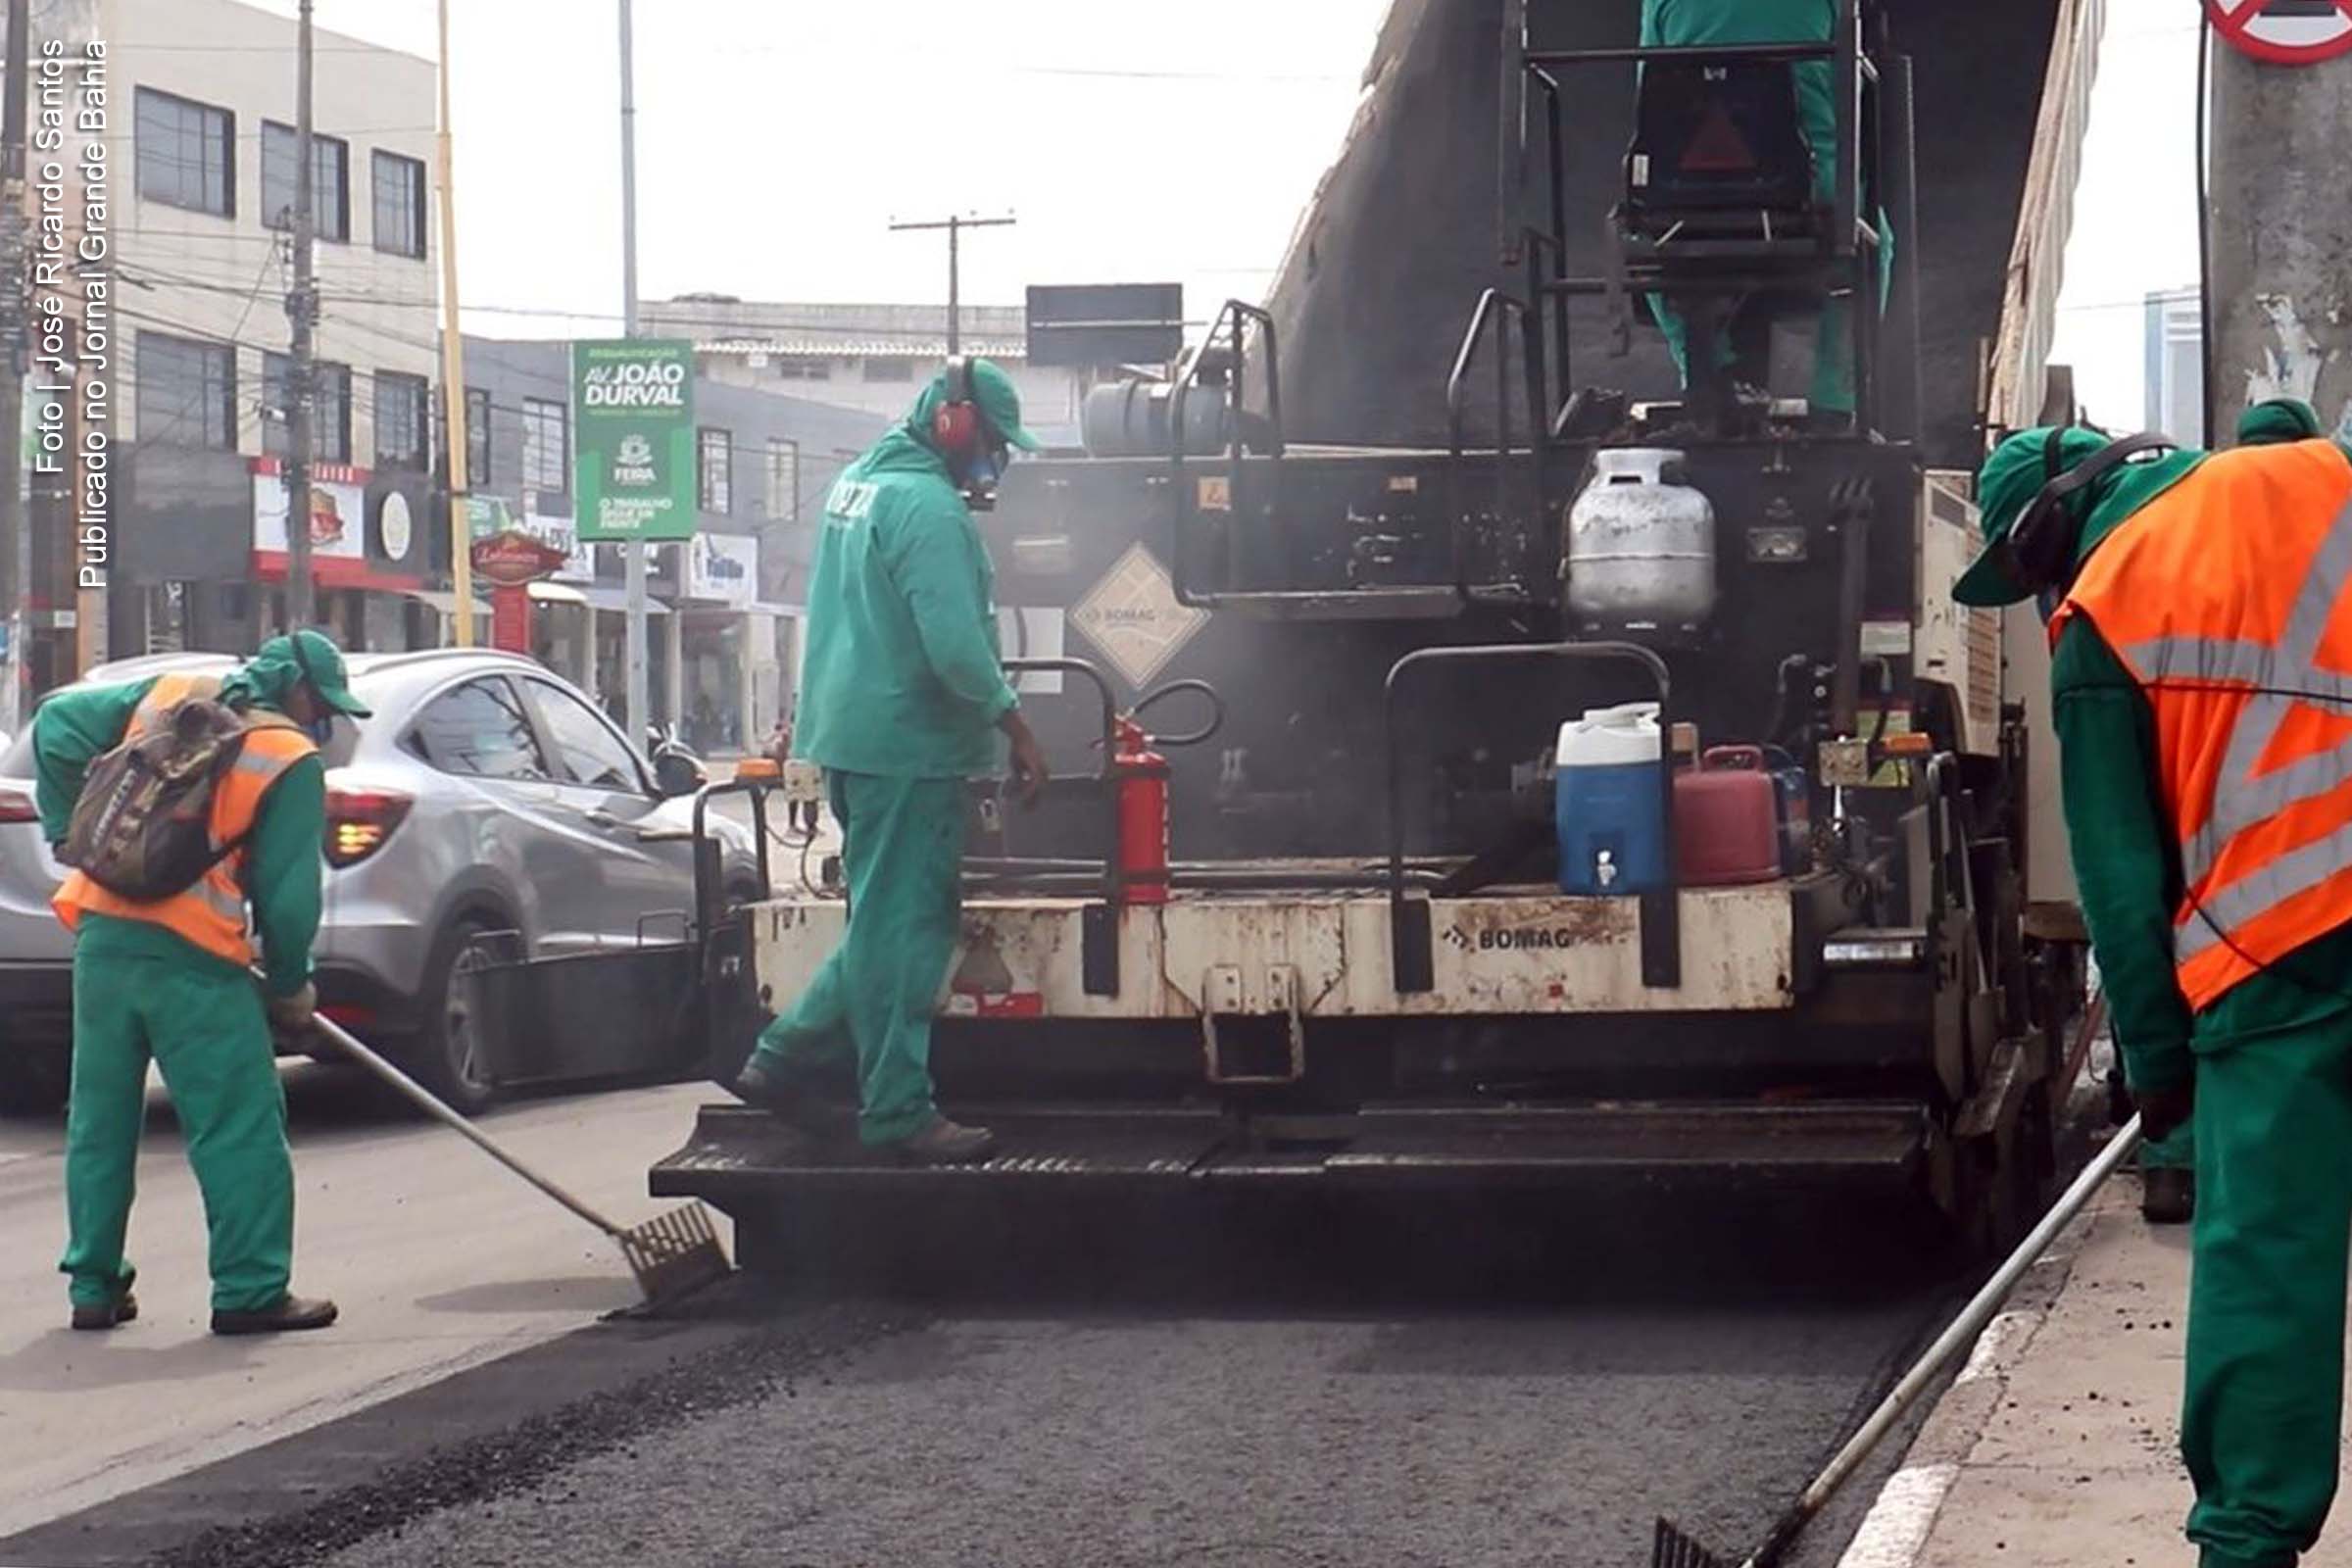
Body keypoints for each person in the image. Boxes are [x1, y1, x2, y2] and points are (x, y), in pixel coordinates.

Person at [1954, 419, 2352, 1568]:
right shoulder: (2319, 473)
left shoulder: (2108, 608)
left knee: (2269, 1259)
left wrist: (2161, 1070)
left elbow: (2122, 889)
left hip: (2279, 952)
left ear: (2051, 532)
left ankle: (2247, 1544)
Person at [730, 359, 1049, 1165]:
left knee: (885, 918)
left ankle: (782, 1059)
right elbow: (956, 648)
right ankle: (897, 1109)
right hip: (909, 747)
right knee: (901, 930)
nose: (997, 460)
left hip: (853, 737)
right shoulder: (929, 509)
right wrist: (1017, 728)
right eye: (995, 441)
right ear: (953, 421)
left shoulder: (858, 485)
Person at [35, 630, 368, 1336]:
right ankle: (250, 1290)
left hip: (103, 937)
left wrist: (69, 832)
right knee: (238, 1126)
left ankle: (93, 1286)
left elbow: (57, 723)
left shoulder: (173, 693)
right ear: (297, 690)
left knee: (100, 1120)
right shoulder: (289, 759)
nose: (324, 722)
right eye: (323, 706)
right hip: (193, 961)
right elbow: (288, 902)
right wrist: (290, 986)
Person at [1638, 0, 1888, 424]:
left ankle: (1704, 368)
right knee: (1873, 243)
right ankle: (1836, 397)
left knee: (1640, 233)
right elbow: (1847, 95)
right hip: (1805, 182)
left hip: (1684, 188)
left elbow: (1649, 93)